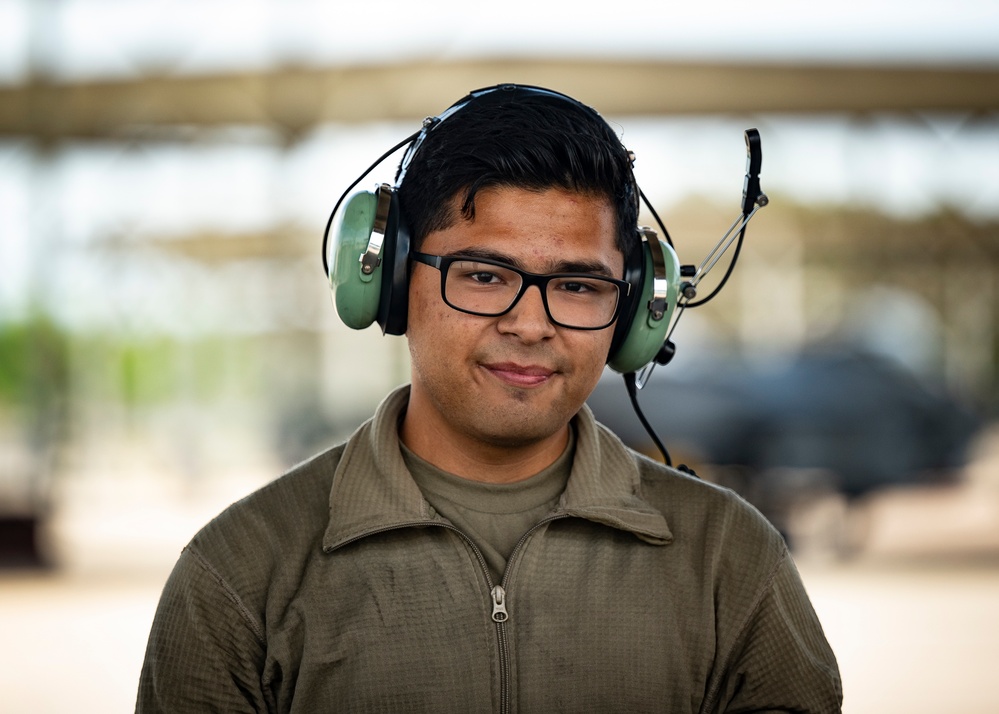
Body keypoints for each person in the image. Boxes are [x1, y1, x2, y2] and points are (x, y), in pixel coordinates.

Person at [136, 84, 842, 713]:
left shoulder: (728, 561)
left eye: (577, 286)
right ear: (387, 281)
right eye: (481, 276)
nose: (530, 325)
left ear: (633, 312)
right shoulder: (241, 572)